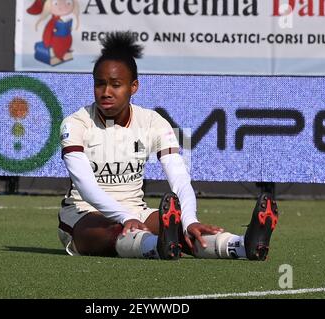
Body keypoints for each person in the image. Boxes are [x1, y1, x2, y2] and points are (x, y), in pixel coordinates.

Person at [57, 31, 279, 260]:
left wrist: (190, 219)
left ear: (134, 87)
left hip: (136, 211)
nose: (106, 92)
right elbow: (86, 187)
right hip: (83, 213)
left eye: (116, 85)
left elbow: (180, 179)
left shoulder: (153, 121)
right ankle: (157, 245)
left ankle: (243, 246)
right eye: (100, 84)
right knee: (114, 232)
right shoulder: (75, 123)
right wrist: (123, 217)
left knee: (184, 228)